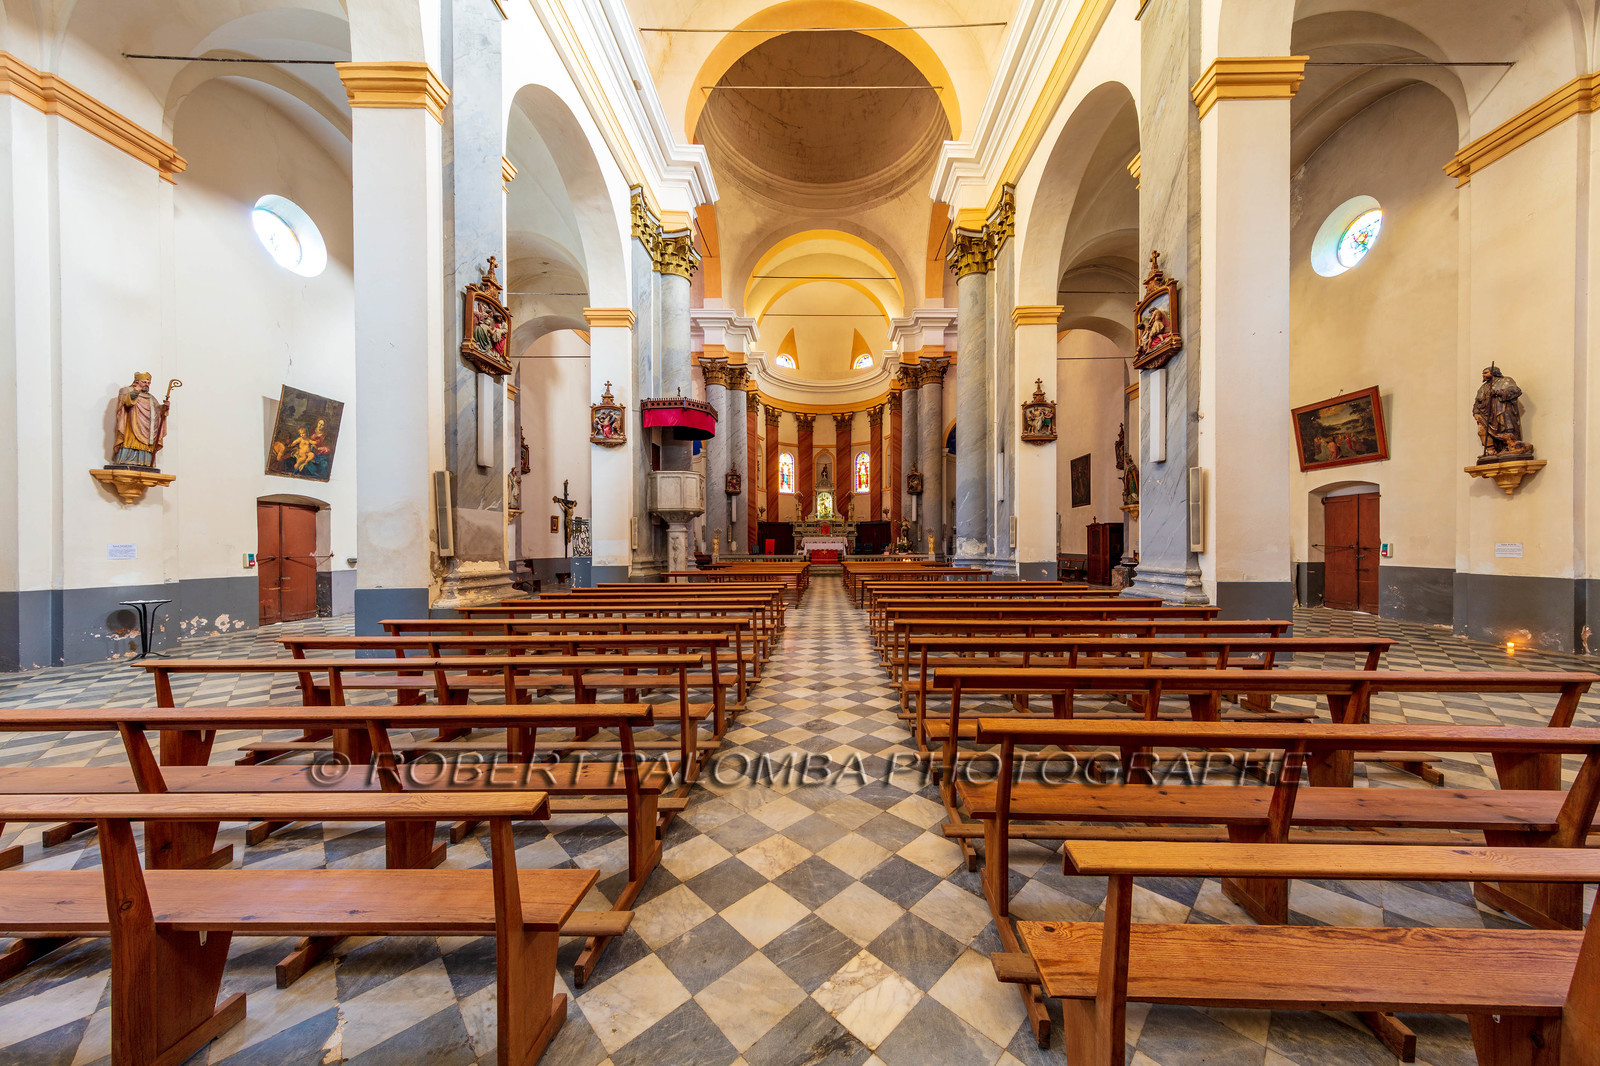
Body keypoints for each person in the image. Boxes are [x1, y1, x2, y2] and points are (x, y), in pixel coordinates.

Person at [1473, 364, 1533, 459]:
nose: (1483, 375)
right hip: (1487, 414)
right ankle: (1491, 450)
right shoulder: (1483, 387)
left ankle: (1508, 447)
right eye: (1482, 373)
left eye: (1485, 373)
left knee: (1505, 429)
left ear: (1493, 372)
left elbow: (1516, 391)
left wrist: (1499, 392)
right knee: (1482, 431)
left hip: (1502, 410)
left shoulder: (1506, 380)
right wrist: (1476, 412)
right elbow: (1477, 402)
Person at [112, 372, 168, 468]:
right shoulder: (126, 391)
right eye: (144, 382)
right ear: (136, 382)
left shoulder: (151, 398)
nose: (147, 385)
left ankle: (145, 461)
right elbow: (127, 403)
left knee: (147, 445)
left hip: (147, 431)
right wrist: (135, 392)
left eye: (148, 383)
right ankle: (127, 459)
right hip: (132, 425)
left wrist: (165, 408)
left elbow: (157, 412)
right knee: (131, 440)